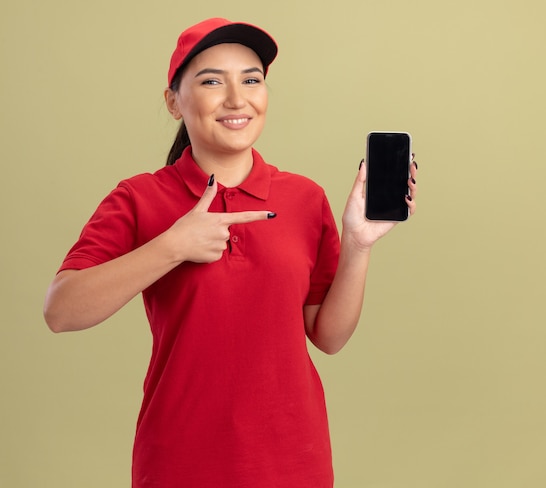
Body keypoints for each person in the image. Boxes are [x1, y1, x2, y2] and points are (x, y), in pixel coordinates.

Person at [43, 17, 418, 488]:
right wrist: (173, 244)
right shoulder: (138, 198)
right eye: (211, 81)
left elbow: (329, 336)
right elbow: (61, 310)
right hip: (177, 464)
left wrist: (359, 244)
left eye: (252, 80)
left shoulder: (304, 199)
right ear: (174, 101)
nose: (236, 99)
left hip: (294, 464)